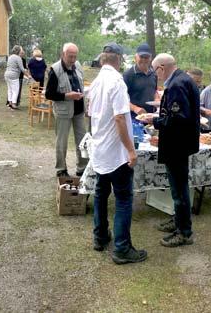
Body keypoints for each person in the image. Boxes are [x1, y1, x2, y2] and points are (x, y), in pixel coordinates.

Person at [87, 42, 147, 264]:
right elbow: (120, 117)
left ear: (103, 59)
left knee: (101, 193)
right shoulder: (117, 82)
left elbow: (91, 113)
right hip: (116, 152)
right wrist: (131, 150)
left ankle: (100, 236)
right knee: (123, 198)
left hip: (101, 148)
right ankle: (122, 248)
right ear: (119, 60)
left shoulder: (96, 82)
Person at [140, 53, 200, 247]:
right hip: (181, 143)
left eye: (155, 71)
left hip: (177, 144)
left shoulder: (176, 84)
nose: (155, 75)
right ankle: (178, 220)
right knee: (177, 188)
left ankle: (184, 232)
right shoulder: (183, 79)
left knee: (179, 189)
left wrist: (154, 121)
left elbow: (178, 118)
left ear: (162, 67)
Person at [45, 42, 89, 179]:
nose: (73, 60)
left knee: (82, 141)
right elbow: (48, 94)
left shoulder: (78, 66)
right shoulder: (55, 70)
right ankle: (61, 169)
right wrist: (66, 96)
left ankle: (82, 168)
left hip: (79, 111)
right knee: (61, 141)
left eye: (75, 56)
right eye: (70, 56)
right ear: (63, 54)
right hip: (63, 112)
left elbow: (81, 84)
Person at [123, 42, 159, 116]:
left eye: (146, 57)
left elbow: (154, 90)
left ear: (150, 58)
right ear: (136, 57)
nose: (144, 60)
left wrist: (157, 99)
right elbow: (122, 99)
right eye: (141, 57)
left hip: (151, 116)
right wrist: (135, 108)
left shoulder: (153, 73)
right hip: (134, 117)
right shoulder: (128, 75)